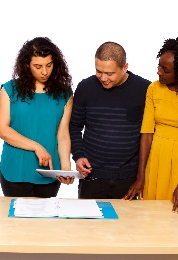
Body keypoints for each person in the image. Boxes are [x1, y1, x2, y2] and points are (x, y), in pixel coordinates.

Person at [124, 37, 178, 221]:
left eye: (165, 69)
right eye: (159, 66)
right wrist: (140, 177)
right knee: (151, 219)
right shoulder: (154, 89)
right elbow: (146, 134)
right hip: (157, 157)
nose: (159, 72)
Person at [69, 41, 151, 199]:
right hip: (92, 177)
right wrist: (78, 156)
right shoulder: (85, 87)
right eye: (98, 71)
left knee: (127, 224)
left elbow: (147, 135)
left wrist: (141, 177)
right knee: (89, 224)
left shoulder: (145, 89)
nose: (103, 78)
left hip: (129, 179)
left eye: (110, 73)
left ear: (125, 67)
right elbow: (74, 126)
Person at [0, 37, 73, 198]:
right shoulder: (9, 90)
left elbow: (63, 134)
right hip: (15, 169)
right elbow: (1, 129)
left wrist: (65, 166)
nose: (44, 72)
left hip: (50, 172)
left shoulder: (64, 94)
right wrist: (37, 147)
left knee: (46, 221)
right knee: (17, 221)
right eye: (38, 66)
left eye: (49, 65)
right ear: (26, 65)